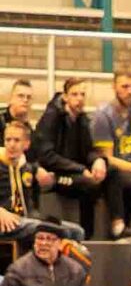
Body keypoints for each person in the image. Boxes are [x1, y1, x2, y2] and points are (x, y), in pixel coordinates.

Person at [32, 78, 105, 238]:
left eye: (82, 95)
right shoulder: (51, 118)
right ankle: (86, 237)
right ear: (65, 97)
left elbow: (88, 151)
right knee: (88, 184)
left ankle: (118, 226)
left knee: (111, 173)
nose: (79, 99)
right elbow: (47, 156)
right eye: (74, 94)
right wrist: (81, 169)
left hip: (74, 171)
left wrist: (98, 160)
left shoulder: (82, 119)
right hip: (54, 175)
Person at [89, 70, 131, 237]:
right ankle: (119, 226)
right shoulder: (103, 116)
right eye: (125, 86)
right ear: (114, 87)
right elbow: (108, 158)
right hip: (111, 170)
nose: (130, 91)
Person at [2, 121, 84, 243]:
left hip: (24, 220)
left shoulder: (27, 168)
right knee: (60, 232)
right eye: (8, 140)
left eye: (16, 140)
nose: (11, 145)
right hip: (4, 222)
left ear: (26, 144)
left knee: (77, 231)